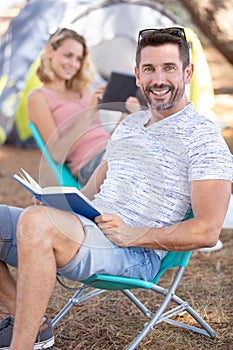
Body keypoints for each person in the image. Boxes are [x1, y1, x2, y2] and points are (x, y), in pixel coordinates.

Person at [0, 26, 232, 349]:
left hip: (135, 251)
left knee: (35, 224)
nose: (158, 79)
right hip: (93, 229)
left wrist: (134, 234)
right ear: (137, 76)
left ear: (188, 72)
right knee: (21, 219)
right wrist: (59, 205)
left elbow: (208, 230)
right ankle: (35, 325)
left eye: (169, 68)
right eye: (149, 69)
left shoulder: (203, 137)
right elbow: (92, 192)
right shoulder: (129, 126)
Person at [27, 28, 139, 186]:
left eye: (78, 59)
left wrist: (126, 116)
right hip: (89, 166)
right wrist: (89, 112)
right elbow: (57, 154)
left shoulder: (83, 91)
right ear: (50, 51)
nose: (73, 64)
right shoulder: (38, 97)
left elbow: (105, 139)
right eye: (68, 55)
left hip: (110, 152)